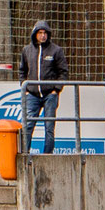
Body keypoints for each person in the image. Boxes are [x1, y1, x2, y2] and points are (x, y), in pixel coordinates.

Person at [19, 20, 69, 155]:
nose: (43, 36)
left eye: (45, 33)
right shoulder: (27, 50)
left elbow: (63, 72)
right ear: (35, 34)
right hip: (32, 95)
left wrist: (56, 90)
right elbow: (22, 71)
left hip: (50, 95)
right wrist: (26, 89)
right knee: (28, 126)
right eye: (40, 33)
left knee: (49, 127)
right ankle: (24, 154)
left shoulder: (56, 50)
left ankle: (47, 156)